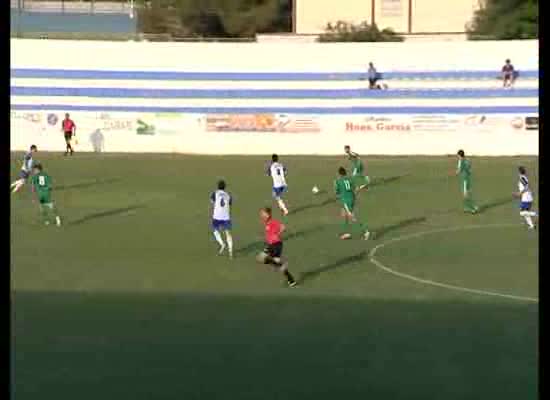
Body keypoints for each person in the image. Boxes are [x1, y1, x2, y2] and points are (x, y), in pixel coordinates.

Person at [256, 207, 297, 287]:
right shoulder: (267, 223)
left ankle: (282, 266)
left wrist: (277, 234)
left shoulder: (272, 221)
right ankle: (291, 280)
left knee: (261, 258)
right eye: (261, 214)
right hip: (272, 245)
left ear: (268, 214)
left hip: (276, 244)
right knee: (271, 261)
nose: (261, 215)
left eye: (263, 214)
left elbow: (283, 227)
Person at [334, 167, 370, 240]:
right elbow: (356, 189)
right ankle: (347, 233)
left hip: (345, 201)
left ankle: (365, 231)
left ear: (339, 174)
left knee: (352, 216)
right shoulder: (350, 179)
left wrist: (339, 192)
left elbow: (337, 192)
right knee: (345, 215)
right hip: (352, 199)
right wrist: (363, 186)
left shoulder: (337, 181)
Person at [210, 180, 234, 258]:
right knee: (228, 233)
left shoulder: (215, 193)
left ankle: (222, 244)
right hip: (226, 217)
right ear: (224, 187)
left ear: (218, 186)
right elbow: (230, 204)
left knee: (215, 230)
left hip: (217, 216)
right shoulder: (228, 195)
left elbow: (212, 201)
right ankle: (230, 251)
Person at [455, 150, 479, 214]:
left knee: (465, 195)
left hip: (464, 180)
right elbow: (470, 168)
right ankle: (467, 207)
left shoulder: (460, 161)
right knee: (467, 193)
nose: (458, 157)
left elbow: (459, 170)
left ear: (460, 155)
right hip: (468, 179)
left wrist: (456, 172)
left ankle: (473, 208)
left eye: (458, 155)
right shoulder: (467, 160)